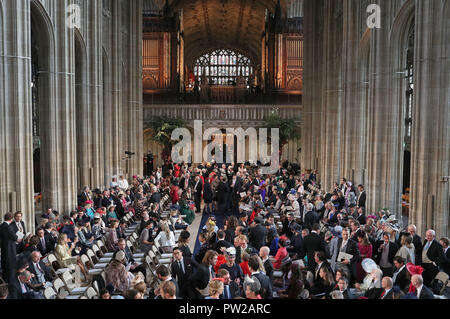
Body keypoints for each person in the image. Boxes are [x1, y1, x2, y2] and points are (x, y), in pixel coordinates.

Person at [0, 212, 21, 283]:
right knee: (10, 268)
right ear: (11, 219)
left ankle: (5, 281)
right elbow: (15, 237)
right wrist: (18, 238)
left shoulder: (1, 226)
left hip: (3, 248)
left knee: (5, 267)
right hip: (10, 250)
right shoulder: (8, 227)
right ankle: (9, 282)